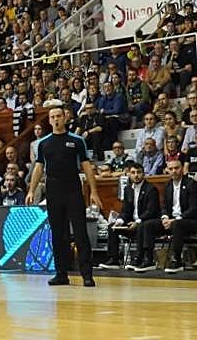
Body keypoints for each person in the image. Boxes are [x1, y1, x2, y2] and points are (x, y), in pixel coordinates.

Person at [26, 107, 101, 287]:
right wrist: (31, 190)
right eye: (52, 117)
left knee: (80, 232)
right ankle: (61, 274)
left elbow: (86, 166)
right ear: (49, 120)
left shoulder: (77, 140)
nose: (56, 119)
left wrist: (94, 191)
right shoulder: (43, 143)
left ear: (65, 118)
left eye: (58, 116)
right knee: (58, 234)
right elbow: (38, 168)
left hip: (73, 188)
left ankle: (87, 275)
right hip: (53, 189)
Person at [98, 162, 160, 271]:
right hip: (131, 223)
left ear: (143, 174)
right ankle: (114, 259)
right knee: (112, 227)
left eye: (139, 172)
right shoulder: (128, 189)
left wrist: (138, 221)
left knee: (142, 225)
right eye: (133, 172)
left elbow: (151, 211)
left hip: (146, 222)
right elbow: (125, 210)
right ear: (129, 174)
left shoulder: (151, 189)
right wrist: (120, 220)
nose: (136, 175)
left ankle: (140, 259)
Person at [139, 159, 197, 273]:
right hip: (172, 221)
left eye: (176, 168)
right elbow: (164, 206)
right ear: (167, 170)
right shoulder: (168, 185)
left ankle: (177, 260)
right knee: (148, 224)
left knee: (177, 224)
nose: (174, 171)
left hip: (189, 221)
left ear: (182, 169)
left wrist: (175, 219)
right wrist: (165, 217)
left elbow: (194, 208)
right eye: (171, 169)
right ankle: (148, 259)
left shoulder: (191, 184)